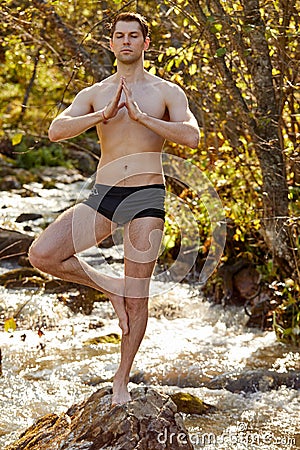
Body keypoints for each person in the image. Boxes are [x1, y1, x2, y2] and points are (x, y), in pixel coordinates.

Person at [28, 12, 199, 406]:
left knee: (138, 294)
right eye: (119, 35)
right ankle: (109, 287)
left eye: (133, 35)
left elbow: (191, 136)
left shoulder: (166, 92)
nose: (126, 41)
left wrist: (144, 119)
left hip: (146, 198)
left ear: (145, 43)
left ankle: (121, 379)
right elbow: (56, 129)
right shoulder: (96, 93)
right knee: (41, 254)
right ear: (110, 44)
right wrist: (100, 116)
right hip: (104, 196)